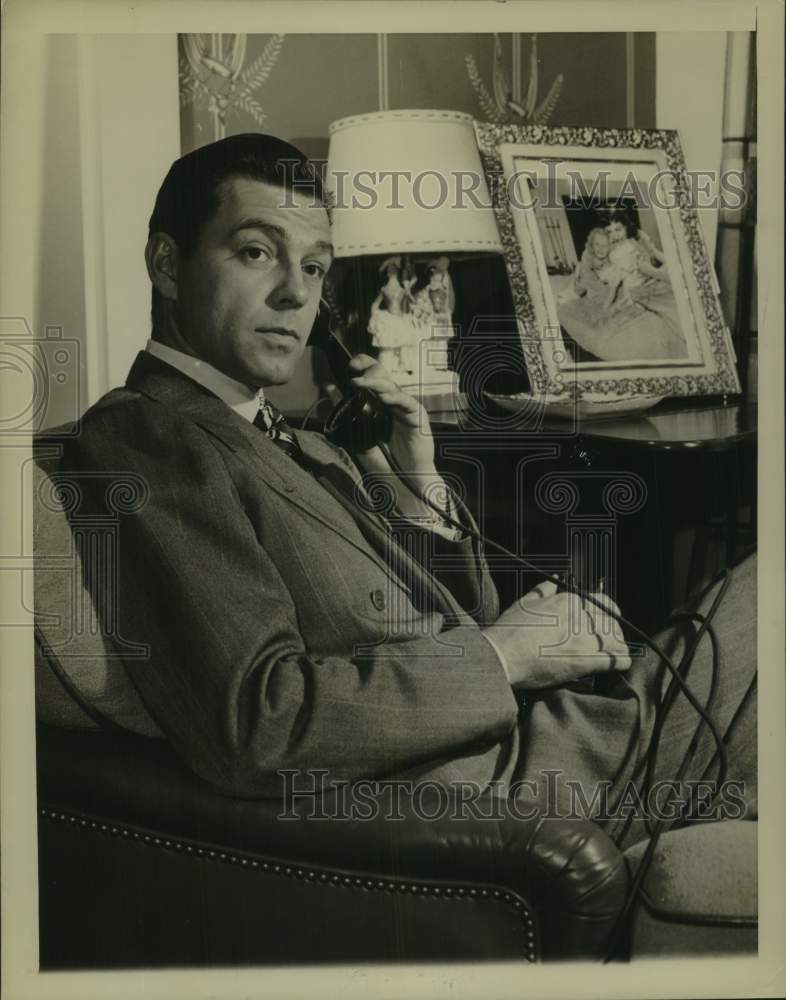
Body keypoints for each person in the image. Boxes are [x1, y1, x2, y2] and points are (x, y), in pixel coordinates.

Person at [62, 134, 756, 849]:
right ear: (168, 265)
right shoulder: (150, 438)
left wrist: (417, 482)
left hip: (549, 740)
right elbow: (259, 722)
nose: (296, 294)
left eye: (314, 267)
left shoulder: (301, 439)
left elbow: (458, 616)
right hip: (504, 789)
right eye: (255, 253)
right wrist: (505, 656)